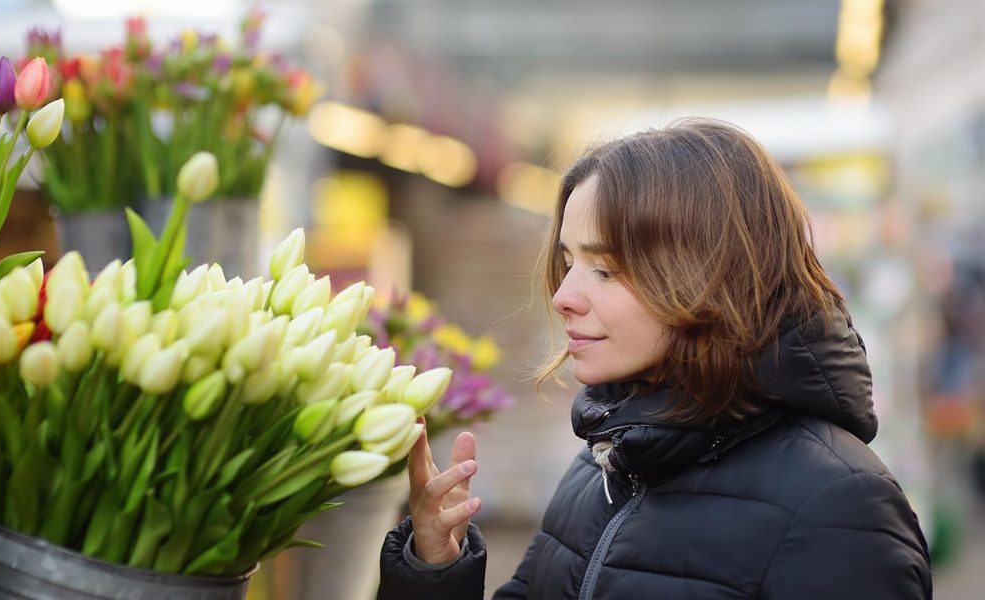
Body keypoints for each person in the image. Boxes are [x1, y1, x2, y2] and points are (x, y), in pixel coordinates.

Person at [377, 119, 933, 599]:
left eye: (604, 269)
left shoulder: (839, 507)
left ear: (710, 276)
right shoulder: (605, 463)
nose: (563, 296)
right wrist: (435, 566)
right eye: (569, 263)